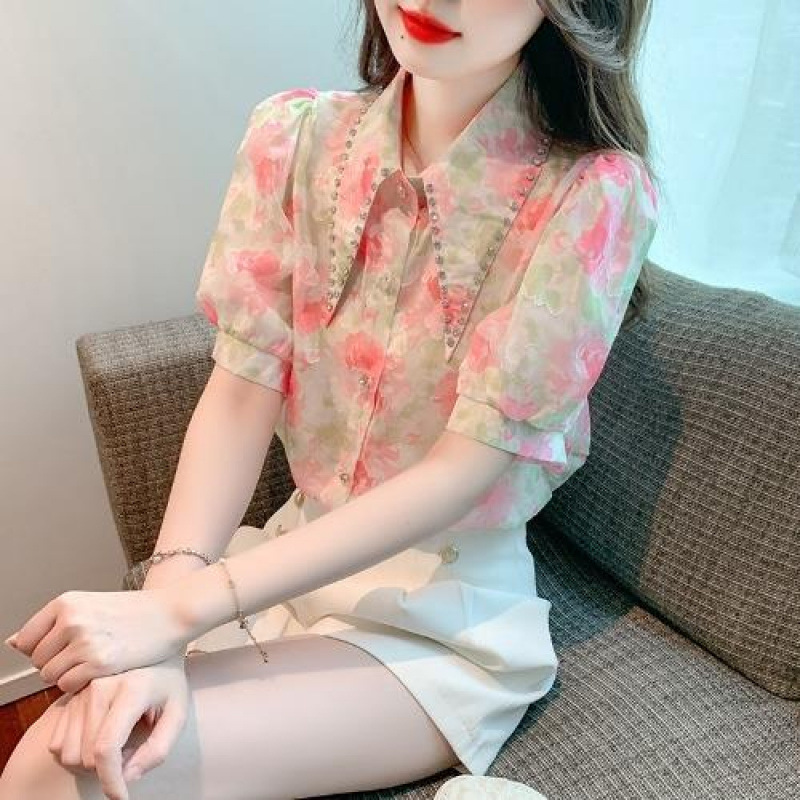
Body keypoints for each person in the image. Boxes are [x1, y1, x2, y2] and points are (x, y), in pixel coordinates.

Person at [0, 1, 660, 798]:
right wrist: (165, 615)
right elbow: (239, 393)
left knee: (67, 774)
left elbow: (461, 472)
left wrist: (177, 616)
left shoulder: (592, 195)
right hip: (284, 559)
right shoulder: (294, 138)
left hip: (437, 615)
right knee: (61, 757)